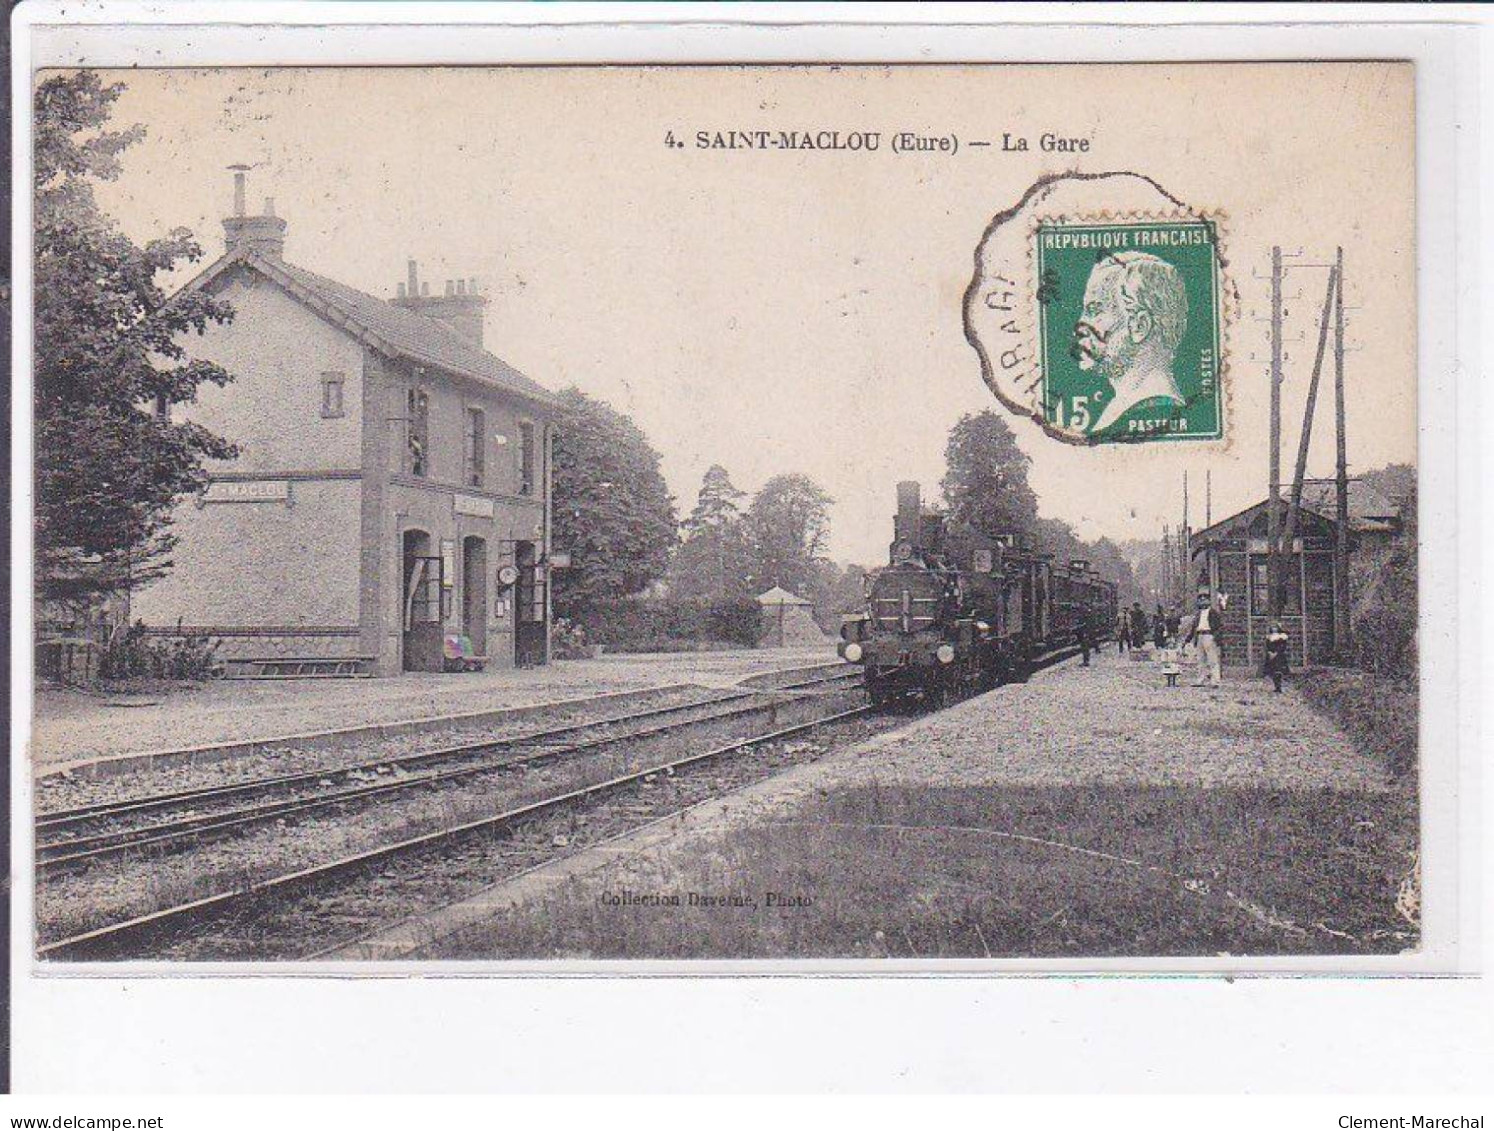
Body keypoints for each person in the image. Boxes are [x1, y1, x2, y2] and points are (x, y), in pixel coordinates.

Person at [1070, 251, 1190, 436]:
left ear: (1139, 326)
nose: (1079, 326)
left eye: (1094, 311)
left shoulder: (1153, 409)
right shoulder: (1122, 407)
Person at [1183, 592, 1224, 688]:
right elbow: (1193, 628)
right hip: (1199, 636)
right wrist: (1187, 640)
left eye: (1204, 599)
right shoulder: (1198, 614)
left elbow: (1219, 627)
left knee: (1212, 659)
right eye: (1200, 600)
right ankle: (1200, 679)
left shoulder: (1213, 613)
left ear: (1209, 601)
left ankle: (1215, 681)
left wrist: (1215, 637)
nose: (1202, 601)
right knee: (1201, 660)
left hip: (1209, 635)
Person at [1263, 620, 1290, 693]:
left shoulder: (1282, 637)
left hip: (1279, 657)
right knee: (1273, 672)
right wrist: (1270, 653)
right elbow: (1267, 646)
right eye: (1273, 627)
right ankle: (1276, 686)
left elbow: (1282, 647)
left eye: (1275, 627)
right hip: (1271, 657)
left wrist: (1276, 653)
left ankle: (1280, 687)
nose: (1274, 628)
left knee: (1279, 672)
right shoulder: (1269, 637)